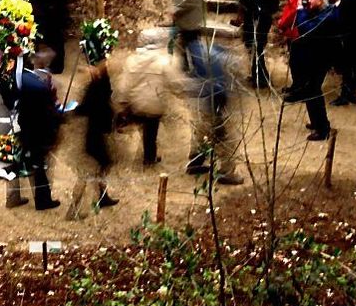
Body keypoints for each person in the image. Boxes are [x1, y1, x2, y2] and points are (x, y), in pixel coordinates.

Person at [114, 28, 186, 166]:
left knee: (144, 128)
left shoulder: (132, 60)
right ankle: (149, 158)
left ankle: (144, 154)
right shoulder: (165, 61)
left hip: (136, 104)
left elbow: (124, 85)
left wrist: (123, 102)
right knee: (151, 132)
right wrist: (181, 92)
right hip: (154, 105)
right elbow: (175, 82)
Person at [185, 40, 243, 185]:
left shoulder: (201, 53)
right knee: (227, 138)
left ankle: (195, 161)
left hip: (201, 100)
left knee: (201, 129)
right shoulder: (228, 58)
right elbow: (234, 85)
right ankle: (226, 172)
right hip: (218, 101)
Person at [287, 0, 340, 141]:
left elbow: (306, 28)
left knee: (312, 91)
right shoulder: (323, 12)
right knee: (310, 90)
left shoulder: (327, 16)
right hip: (313, 56)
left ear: (320, 0)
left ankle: (322, 128)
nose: (308, 0)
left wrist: (301, 10)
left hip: (318, 58)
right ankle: (317, 121)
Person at [16, 49, 62, 211]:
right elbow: (48, 112)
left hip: (28, 128)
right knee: (40, 166)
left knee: (34, 164)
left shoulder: (25, 79)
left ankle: (33, 197)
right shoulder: (40, 86)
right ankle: (43, 200)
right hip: (39, 131)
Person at [76, 60, 118, 207]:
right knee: (102, 164)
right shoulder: (98, 88)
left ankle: (102, 194)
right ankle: (99, 195)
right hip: (95, 134)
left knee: (102, 164)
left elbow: (84, 108)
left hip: (95, 132)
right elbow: (88, 108)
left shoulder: (97, 87)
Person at [232, 0, 279, 88]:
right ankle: (256, 74)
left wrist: (260, 13)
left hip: (260, 21)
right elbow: (242, 2)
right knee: (252, 47)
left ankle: (262, 78)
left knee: (257, 48)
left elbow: (271, 6)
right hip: (250, 21)